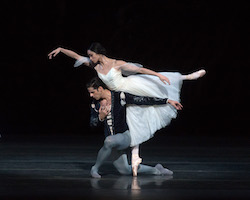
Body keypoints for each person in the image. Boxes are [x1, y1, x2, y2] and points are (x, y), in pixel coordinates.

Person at [48, 42, 206, 175]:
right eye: (89, 56)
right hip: (118, 95)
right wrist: (61, 50)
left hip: (128, 88)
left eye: (91, 55)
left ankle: (185, 77)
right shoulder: (94, 65)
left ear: (99, 53)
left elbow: (139, 70)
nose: (90, 58)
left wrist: (158, 75)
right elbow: (76, 56)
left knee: (152, 87)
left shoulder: (116, 64)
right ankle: (139, 158)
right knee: (133, 124)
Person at [87, 77, 182, 178]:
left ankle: (95, 168)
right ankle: (157, 170)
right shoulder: (95, 104)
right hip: (112, 141)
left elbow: (142, 99)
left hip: (124, 136)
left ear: (100, 89)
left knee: (109, 141)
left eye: (92, 92)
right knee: (125, 170)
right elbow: (93, 123)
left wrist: (167, 101)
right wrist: (100, 117)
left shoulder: (119, 96)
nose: (91, 95)